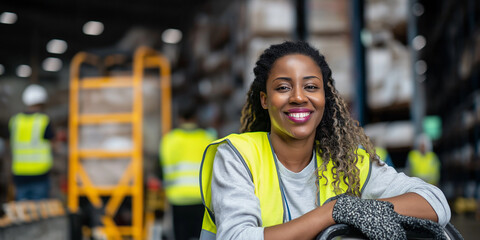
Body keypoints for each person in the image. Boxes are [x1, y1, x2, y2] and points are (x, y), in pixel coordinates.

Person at [199, 41, 451, 240]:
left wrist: (361, 210)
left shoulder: (347, 162)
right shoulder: (238, 156)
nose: (298, 97)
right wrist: (332, 212)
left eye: (310, 87)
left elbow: (435, 203)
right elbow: (236, 236)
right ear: (265, 100)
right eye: (283, 87)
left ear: (324, 97)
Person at [159, 99, 216, 240]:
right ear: (196, 117)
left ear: (179, 117)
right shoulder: (209, 138)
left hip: (178, 199)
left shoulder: (169, 140)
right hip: (202, 199)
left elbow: (162, 170)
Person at [8, 84, 55, 200]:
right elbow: (53, 143)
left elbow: (10, 144)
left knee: (22, 212)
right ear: (42, 102)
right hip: (40, 173)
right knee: (39, 213)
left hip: (19, 173)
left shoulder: (15, 121)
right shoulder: (43, 120)